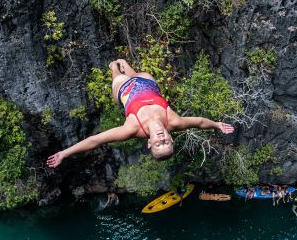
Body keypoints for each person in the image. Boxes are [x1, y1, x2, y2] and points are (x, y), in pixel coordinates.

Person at [46, 58, 235, 168]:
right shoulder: (175, 122)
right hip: (147, 83)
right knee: (133, 72)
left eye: (158, 144)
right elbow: (201, 122)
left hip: (124, 90)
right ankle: (124, 62)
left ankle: (113, 66)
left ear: (149, 143)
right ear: (170, 137)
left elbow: (96, 140)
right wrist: (217, 125)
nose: (161, 139)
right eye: (166, 142)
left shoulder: (132, 128)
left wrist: (65, 153)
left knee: (117, 74)